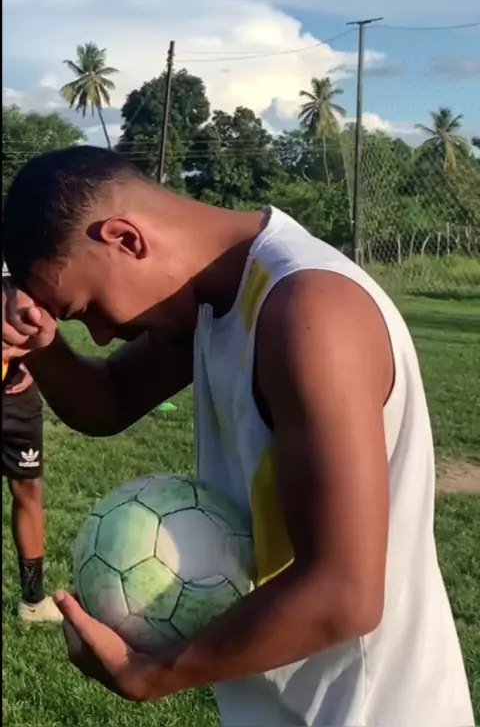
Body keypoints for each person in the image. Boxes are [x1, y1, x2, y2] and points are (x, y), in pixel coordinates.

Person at [2, 146, 474, 726]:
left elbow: (343, 594)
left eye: (88, 308)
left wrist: (152, 673)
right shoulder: (216, 295)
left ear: (126, 239)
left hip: (370, 710)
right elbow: (110, 403)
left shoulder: (308, 311)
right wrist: (39, 343)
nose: (100, 335)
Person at [2, 263, 62, 623]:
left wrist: (30, 357)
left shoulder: (22, 243)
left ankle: (33, 601)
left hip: (17, 396)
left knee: (28, 488)